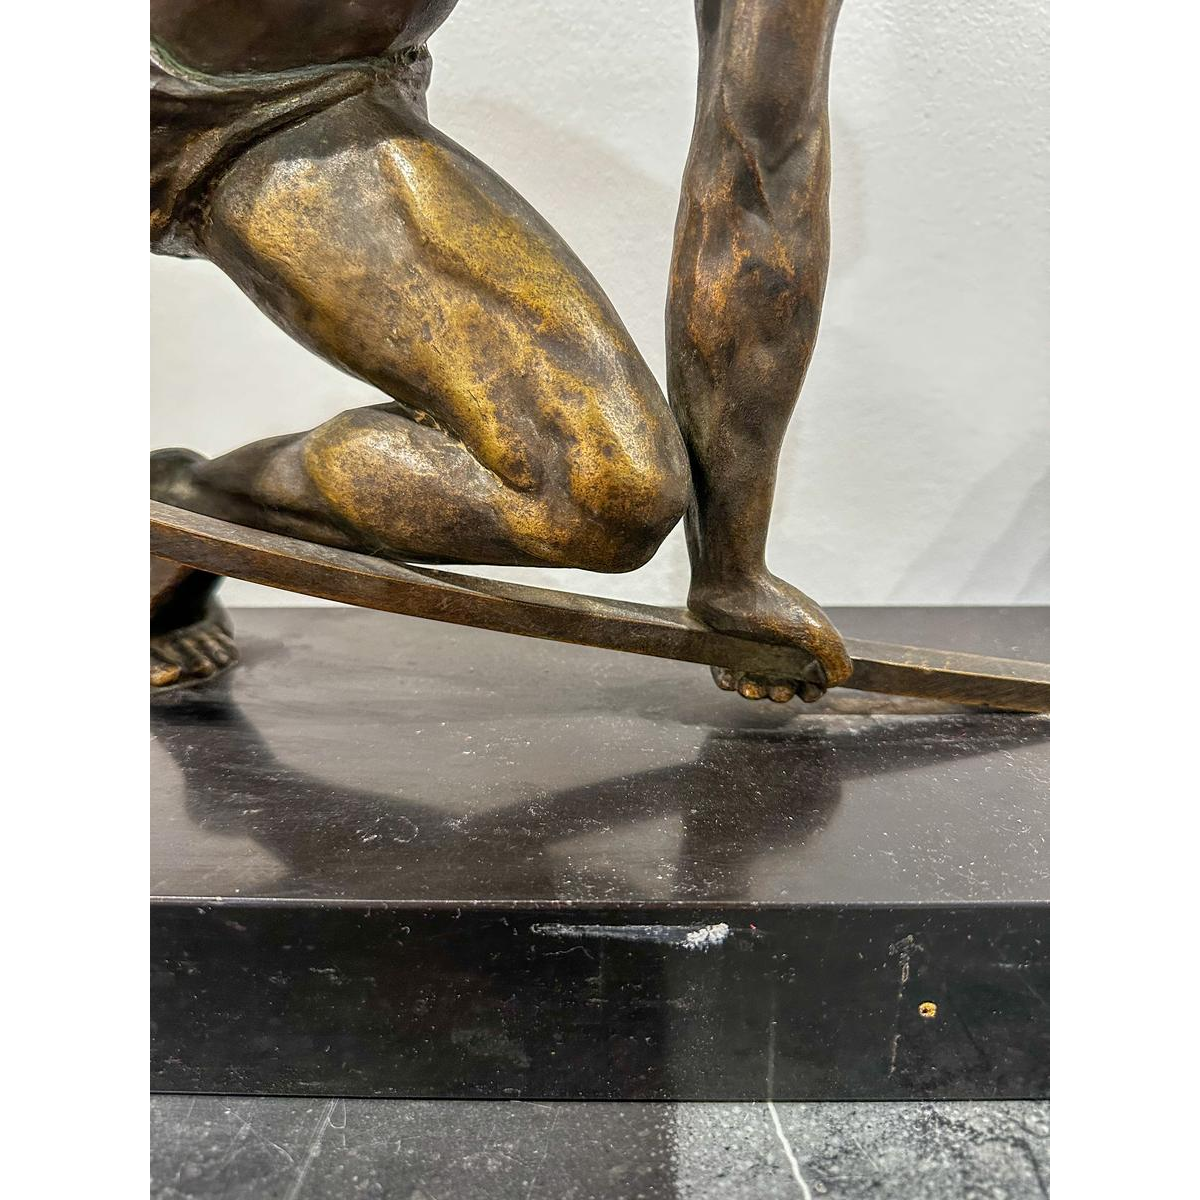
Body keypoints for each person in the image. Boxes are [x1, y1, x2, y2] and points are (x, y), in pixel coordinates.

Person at [150, 0, 851, 703]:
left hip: (299, 108)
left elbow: (762, 174)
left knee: (601, 494)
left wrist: (731, 569)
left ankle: (184, 507)